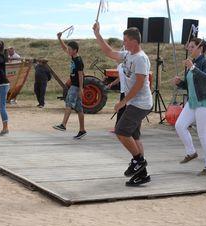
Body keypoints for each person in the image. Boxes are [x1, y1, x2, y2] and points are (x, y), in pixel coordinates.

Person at [93, 22, 152, 186]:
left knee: (120, 131)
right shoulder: (127, 55)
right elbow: (108, 52)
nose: (123, 42)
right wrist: (98, 34)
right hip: (134, 102)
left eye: (125, 40)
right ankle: (143, 174)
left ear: (134, 41)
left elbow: (139, 84)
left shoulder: (141, 59)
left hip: (141, 103)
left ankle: (138, 161)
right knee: (134, 136)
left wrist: (122, 102)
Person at [173, 38, 206, 176]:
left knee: (203, 134)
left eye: (192, 47)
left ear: (200, 49)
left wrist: (192, 67)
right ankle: (191, 152)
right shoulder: (192, 63)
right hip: (193, 102)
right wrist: (180, 83)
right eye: (189, 47)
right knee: (179, 126)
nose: (189, 49)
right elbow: (190, 85)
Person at [52, 32, 86, 139]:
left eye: (70, 49)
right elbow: (64, 48)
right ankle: (82, 130)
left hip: (76, 86)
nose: (68, 51)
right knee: (79, 109)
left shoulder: (78, 60)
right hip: (75, 85)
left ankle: (63, 125)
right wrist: (59, 38)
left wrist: (81, 88)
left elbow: (81, 75)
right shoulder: (73, 56)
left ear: (75, 50)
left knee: (69, 103)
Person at [107, 62, 128, 130]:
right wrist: (112, 84)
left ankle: (119, 127)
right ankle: (118, 127)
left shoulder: (130, 64)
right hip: (123, 90)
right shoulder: (120, 66)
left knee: (123, 109)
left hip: (128, 90)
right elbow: (119, 78)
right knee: (121, 109)